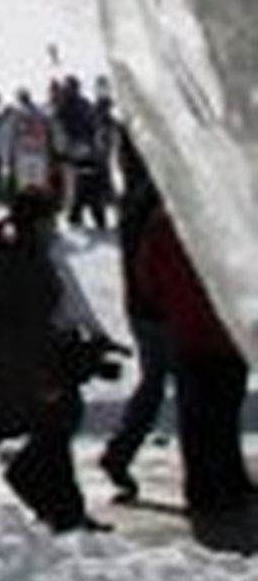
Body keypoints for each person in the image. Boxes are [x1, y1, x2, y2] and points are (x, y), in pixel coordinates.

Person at [0, 187, 121, 532]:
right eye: (52, 219)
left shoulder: (5, 251)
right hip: (14, 370)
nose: (55, 226)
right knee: (48, 423)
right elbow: (29, 331)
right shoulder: (27, 265)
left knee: (4, 433)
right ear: (39, 221)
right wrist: (48, 377)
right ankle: (47, 501)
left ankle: (59, 509)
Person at [133, 195, 254, 541]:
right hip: (223, 330)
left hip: (188, 331)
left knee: (199, 414)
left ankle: (207, 486)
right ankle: (226, 482)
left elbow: (148, 278)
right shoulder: (220, 224)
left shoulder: (163, 225)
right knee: (223, 409)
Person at [98, 135, 172, 502]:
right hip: (161, 307)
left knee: (156, 383)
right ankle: (119, 452)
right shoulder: (152, 198)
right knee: (180, 384)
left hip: (144, 307)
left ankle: (120, 452)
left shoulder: (132, 198)